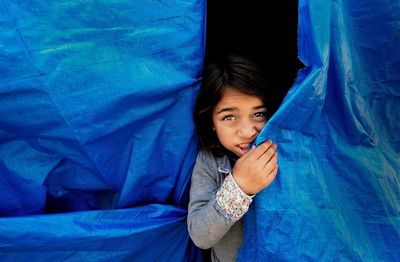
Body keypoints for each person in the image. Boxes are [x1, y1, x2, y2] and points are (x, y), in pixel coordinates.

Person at [187, 54, 279, 261]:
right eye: (229, 117)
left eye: (258, 114)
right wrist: (240, 187)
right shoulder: (210, 161)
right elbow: (200, 235)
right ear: (211, 121)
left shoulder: (286, 151)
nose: (247, 131)